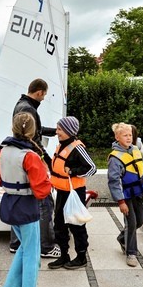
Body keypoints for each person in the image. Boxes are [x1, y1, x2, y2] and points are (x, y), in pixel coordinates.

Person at [0, 112, 52, 287]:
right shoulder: (30, 156)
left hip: (10, 203)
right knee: (33, 256)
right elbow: (42, 190)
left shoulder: (2, 152)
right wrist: (48, 180)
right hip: (27, 207)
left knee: (24, 248)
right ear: (33, 131)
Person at [10, 78, 59, 259]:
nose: (44, 98)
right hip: (30, 159)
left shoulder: (21, 104)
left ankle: (16, 244)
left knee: (20, 202)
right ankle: (46, 246)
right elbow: (33, 138)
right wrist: (47, 160)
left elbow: (35, 130)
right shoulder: (29, 108)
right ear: (39, 92)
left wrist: (55, 130)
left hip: (22, 160)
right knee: (45, 204)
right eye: (44, 94)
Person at [47, 116, 97, 270]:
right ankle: (64, 256)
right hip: (61, 191)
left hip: (74, 192)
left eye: (60, 129)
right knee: (59, 224)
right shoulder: (61, 145)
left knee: (76, 224)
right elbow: (57, 166)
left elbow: (92, 168)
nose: (57, 132)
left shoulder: (77, 148)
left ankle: (81, 257)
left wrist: (73, 171)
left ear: (69, 131)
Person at [107, 122, 143, 267]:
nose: (128, 138)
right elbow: (114, 181)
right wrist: (120, 202)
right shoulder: (115, 158)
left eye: (130, 135)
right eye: (125, 135)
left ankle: (122, 238)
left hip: (139, 193)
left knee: (139, 220)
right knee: (131, 223)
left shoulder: (136, 150)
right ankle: (131, 253)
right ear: (117, 137)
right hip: (126, 196)